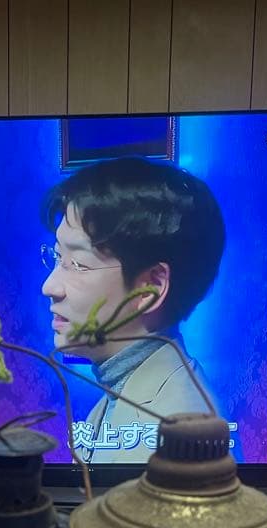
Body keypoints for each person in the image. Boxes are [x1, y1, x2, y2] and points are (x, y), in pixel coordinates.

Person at [41, 157, 225, 463]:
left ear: (150, 288)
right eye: (58, 257)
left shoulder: (176, 442)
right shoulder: (120, 393)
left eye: (78, 264)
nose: (49, 287)